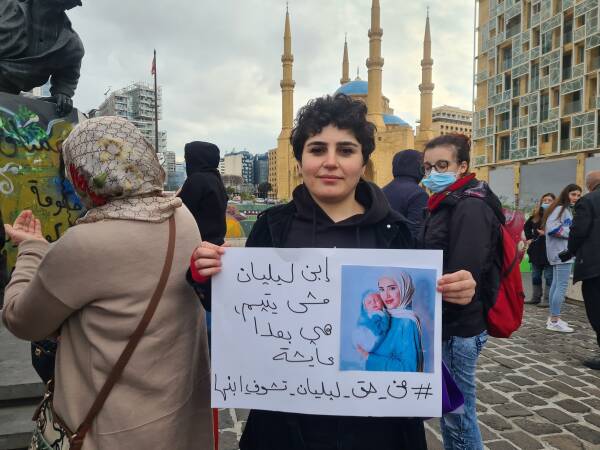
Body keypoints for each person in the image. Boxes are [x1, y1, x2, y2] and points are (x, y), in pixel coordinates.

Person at [190, 94, 476, 450]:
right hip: (288, 422)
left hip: (378, 428)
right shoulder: (273, 226)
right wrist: (208, 276)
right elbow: (242, 312)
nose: (330, 162)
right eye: (317, 149)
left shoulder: (397, 231)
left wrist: (455, 295)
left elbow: (424, 317)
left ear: (363, 162)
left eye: (345, 150)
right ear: (300, 161)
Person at [2, 117, 213, 449]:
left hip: (109, 431)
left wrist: (31, 250)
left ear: (80, 177)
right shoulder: (181, 217)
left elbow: (21, 320)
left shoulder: (84, 244)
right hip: (176, 420)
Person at [420, 133, 504, 450]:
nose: (433, 173)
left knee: (458, 415)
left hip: (458, 327)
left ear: (462, 166)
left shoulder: (470, 206)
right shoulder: (447, 201)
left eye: (442, 165)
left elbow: (463, 275)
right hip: (451, 325)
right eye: (428, 167)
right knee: (453, 410)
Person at [568, 171, 600, 369]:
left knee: (597, 310)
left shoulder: (588, 201)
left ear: (590, 185)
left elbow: (578, 231)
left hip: (595, 267)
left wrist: (569, 251)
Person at [361, 273, 424, 372]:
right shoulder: (381, 316)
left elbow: (409, 369)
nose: (386, 295)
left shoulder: (407, 322)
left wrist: (369, 358)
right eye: (382, 289)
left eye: (392, 288)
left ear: (404, 289)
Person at [542, 183, 582, 333]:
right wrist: (573, 232)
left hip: (559, 252)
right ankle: (554, 320)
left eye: (578, 195)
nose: (576, 198)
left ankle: (553, 318)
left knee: (556, 284)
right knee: (561, 286)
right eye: (573, 194)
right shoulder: (560, 209)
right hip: (562, 253)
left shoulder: (562, 209)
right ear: (566, 194)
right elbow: (553, 230)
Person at [178, 140, 228, 246]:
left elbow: (180, 210)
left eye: (187, 159)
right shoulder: (215, 179)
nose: (186, 162)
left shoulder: (197, 179)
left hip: (198, 245)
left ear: (195, 159)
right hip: (216, 242)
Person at [382, 149, 428, 239]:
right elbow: (415, 232)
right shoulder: (419, 194)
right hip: (403, 246)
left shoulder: (382, 190)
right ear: (420, 168)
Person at [524, 193, 556, 306]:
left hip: (549, 250)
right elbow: (526, 226)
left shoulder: (556, 215)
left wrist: (547, 233)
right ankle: (535, 297)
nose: (546, 202)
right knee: (535, 275)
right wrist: (529, 238)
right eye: (545, 200)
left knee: (549, 276)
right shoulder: (536, 215)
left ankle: (547, 299)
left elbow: (561, 230)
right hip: (536, 250)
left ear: (554, 202)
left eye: (549, 200)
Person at [352, 291, 389, 355]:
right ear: (365, 308)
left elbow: (384, 327)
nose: (374, 303)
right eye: (369, 302)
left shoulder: (382, 314)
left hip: (373, 339)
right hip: (364, 336)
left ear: (382, 302)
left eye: (377, 300)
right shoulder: (367, 315)